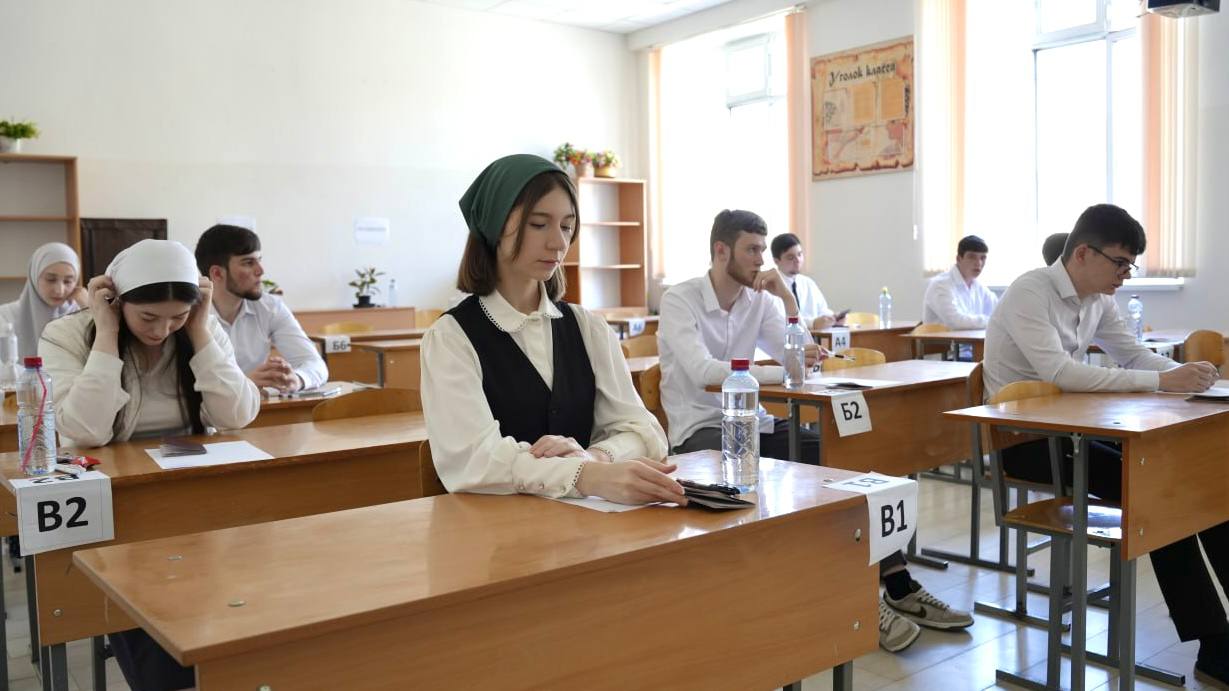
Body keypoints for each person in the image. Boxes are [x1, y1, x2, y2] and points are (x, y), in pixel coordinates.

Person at [658, 209, 973, 653]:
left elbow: (805, 361)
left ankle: (898, 585)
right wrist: (775, 373)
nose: (761, 260)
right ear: (721, 251)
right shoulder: (680, 299)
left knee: (845, 464)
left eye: (762, 250)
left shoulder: (760, 300)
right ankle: (851, 595)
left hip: (757, 423)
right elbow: (702, 371)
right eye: (752, 250)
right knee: (798, 482)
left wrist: (788, 301)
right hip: (701, 432)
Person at [985, 203, 1228, 686]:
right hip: (1029, 442)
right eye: (1120, 263)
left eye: (1130, 265)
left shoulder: (1098, 298)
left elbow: (1132, 354)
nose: (1125, 274)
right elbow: (1062, 373)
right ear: (1082, 253)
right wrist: (1163, 382)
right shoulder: (1029, 291)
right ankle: (1215, 644)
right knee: (1158, 496)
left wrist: (1188, 376)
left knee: (1199, 486)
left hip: (1075, 433)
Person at [39, 239, 260, 691]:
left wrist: (199, 332)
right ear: (116, 300)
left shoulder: (198, 326)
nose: (162, 330)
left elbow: (237, 415)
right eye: (148, 317)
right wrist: (106, 333)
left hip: (193, 494)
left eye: (177, 316)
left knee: (230, 589)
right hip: (118, 502)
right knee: (154, 610)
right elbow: (84, 430)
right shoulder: (66, 335)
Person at [420, 154, 685, 507]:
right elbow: (475, 461)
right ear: (494, 225)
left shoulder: (588, 327)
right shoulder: (451, 338)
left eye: (567, 226)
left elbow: (646, 432)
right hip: (492, 531)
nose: (558, 243)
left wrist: (597, 457)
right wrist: (585, 475)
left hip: (585, 525)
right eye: (538, 224)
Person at [194, 224, 328, 393]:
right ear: (217, 273)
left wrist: (297, 379)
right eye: (248, 263)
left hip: (258, 406)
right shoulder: (187, 314)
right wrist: (244, 384)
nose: (260, 270)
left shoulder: (270, 307)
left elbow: (315, 364)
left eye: (259, 260)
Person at [0, 242, 87, 358]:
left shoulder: (81, 313)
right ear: (34, 276)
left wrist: (90, 308)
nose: (59, 290)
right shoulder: (5, 316)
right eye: (51, 279)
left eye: (68, 281)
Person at [922, 235, 998, 329]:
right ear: (958, 259)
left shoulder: (979, 287)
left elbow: (999, 312)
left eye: (983, 258)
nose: (978, 263)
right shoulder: (940, 285)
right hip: (940, 339)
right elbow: (956, 322)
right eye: (972, 257)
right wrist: (992, 321)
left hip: (969, 338)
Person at [769, 232, 843, 329]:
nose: (797, 260)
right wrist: (812, 323)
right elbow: (779, 320)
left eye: (799, 254)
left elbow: (822, 310)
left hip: (814, 336)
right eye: (790, 257)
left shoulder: (808, 283)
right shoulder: (771, 287)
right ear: (776, 261)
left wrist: (834, 318)